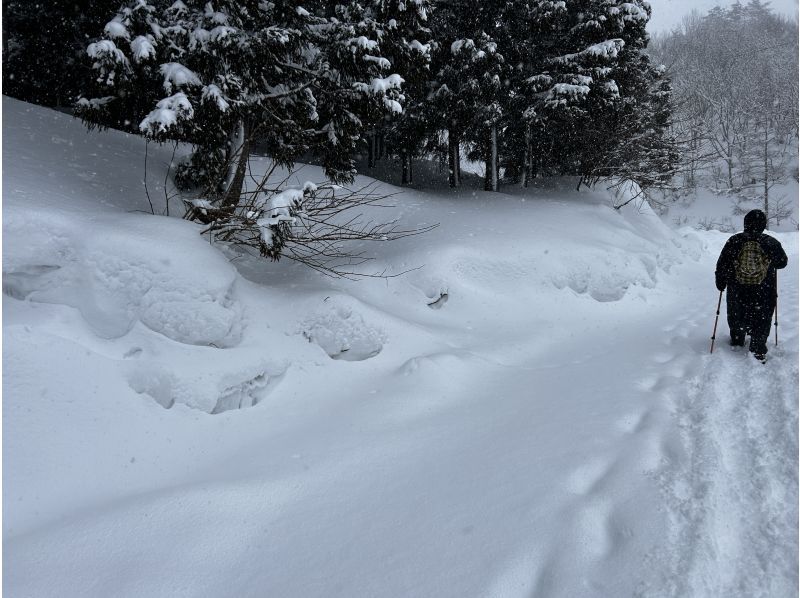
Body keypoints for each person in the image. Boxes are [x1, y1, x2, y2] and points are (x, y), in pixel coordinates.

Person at [715, 209, 787, 362]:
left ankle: (737, 338)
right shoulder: (770, 242)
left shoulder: (734, 240)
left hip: (737, 287)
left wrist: (720, 281)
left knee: (736, 312)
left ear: (745, 223)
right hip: (764, 288)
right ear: (763, 225)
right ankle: (758, 345)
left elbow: (723, 264)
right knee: (762, 315)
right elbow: (782, 263)